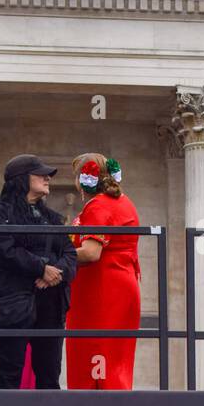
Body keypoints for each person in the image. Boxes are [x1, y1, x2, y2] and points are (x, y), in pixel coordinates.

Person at [0, 154, 76, 390]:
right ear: (22, 179)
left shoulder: (53, 219)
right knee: (8, 374)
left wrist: (56, 274)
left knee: (49, 375)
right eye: (41, 174)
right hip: (12, 303)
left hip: (51, 304)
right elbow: (2, 249)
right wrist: (41, 268)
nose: (47, 178)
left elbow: (70, 254)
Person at [66, 154, 142, 389]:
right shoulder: (122, 201)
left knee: (95, 352)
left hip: (101, 290)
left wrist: (58, 259)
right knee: (114, 358)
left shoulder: (98, 205)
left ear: (82, 179)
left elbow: (90, 252)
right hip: (120, 285)